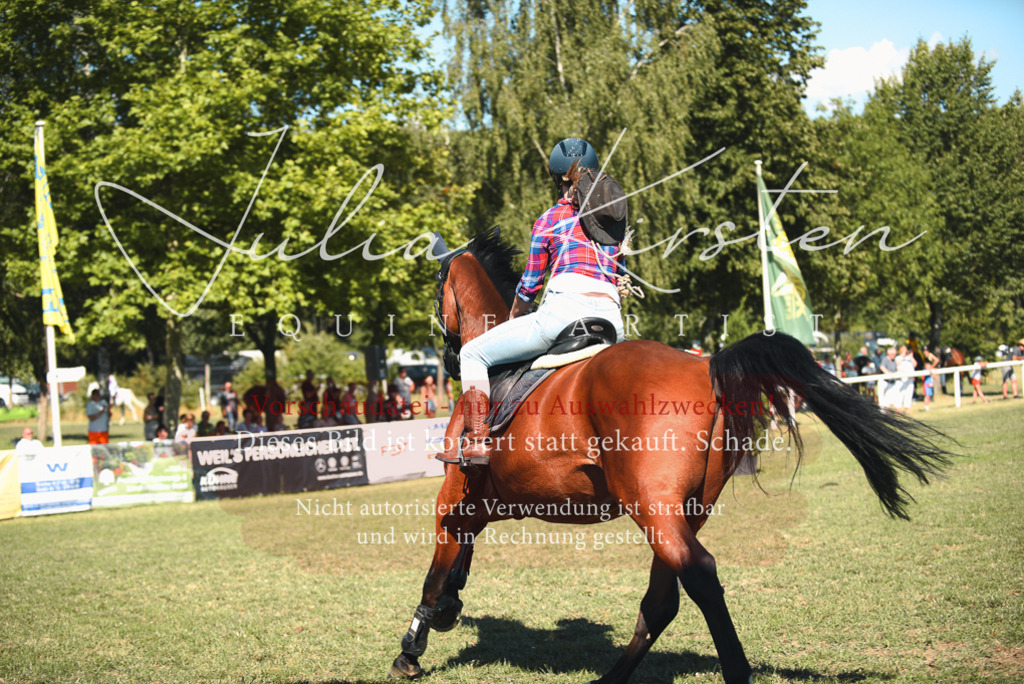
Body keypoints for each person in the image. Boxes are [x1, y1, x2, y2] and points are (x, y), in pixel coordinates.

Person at [457, 138, 628, 465]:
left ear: (557, 178)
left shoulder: (550, 219)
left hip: (562, 313)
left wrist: (515, 316)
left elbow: (530, 285)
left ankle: (477, 441)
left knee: (472, 353)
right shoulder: (612, 224)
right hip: (611, 320)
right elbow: (619, 275)